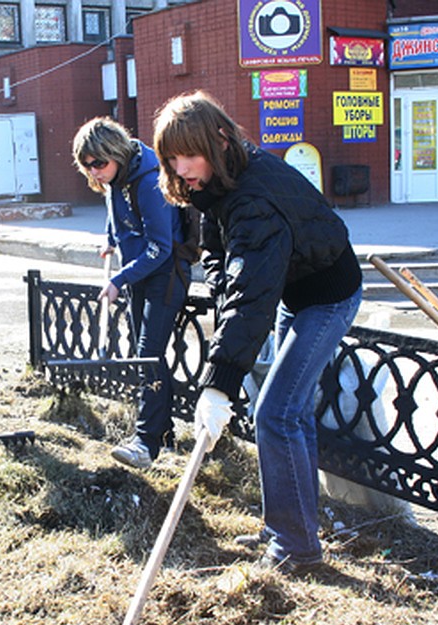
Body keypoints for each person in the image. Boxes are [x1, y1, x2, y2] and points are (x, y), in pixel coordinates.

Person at [153, 91, 363, 572]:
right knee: (293, 414)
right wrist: (224, 288)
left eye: (189, 154)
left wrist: (219, 381)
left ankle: (297, 548)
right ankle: (294, 526)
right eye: (171, 158)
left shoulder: (254, 201)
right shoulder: (221, 182)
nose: (181, 167)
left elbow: (251, 294)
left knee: (276, 412)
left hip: (329, 295)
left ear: (220, 139)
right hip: (296, 289)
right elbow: (221, 255)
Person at [71, 117, 186, 469]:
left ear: (116, 153)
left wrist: (119, 279)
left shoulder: (149, 181)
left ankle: (145, 443)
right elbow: (115, 209)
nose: (94, 172)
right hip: (141, 272)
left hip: (166, 274)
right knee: (145, 355)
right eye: (87, 166)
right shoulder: (116, 178)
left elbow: (161, 247)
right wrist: (110, 238)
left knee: (148, 354)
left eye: (99, 164)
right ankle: (165, 436)